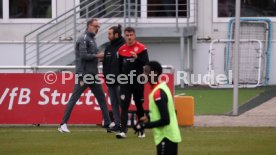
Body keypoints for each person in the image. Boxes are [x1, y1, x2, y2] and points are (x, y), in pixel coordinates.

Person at [58, 18, 112, 133]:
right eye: (95, 26)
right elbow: (83, 56)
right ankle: (62, 124)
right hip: (84, 74)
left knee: (102, 99)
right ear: (89, 26)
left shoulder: (92, 39)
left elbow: (93, 56)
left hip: (93, 74)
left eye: (98, 26)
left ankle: (107, 124)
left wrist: (103, 57)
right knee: (74, 99)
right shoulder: (83, 38)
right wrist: (98, 56)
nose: (97, 28)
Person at [133, 61, 182, 155]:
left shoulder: (158, 93)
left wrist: (144, 126)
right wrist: (148, 118)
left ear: (155, 73)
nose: (144, 74)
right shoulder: (161, 88)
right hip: (167, 136)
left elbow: (165, 120)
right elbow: (161, 112)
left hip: (166, 137)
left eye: (146, 71)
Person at [116, 27, 149, 139]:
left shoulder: (141, 48)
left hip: (138, 81)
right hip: (125, 82)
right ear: (125, 36)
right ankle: (123, 131)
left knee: (139, 105)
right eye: (127, 35)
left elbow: (147, 63)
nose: (129, 37)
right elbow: (119, 67)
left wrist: (137, 58)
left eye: (131, 35)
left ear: (134, 35)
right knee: (124, 105)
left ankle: (141, 130)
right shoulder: (121, 50)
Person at [100, 24, 125, 132]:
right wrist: (106, 77)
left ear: (116, 34)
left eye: (110, 34)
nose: (108, 36)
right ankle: (117, 124)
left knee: (122, 103)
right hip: (110, 81)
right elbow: (105, 64)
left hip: (121, 81)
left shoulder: (124, 47)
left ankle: (123, 125)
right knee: (114, 103)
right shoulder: (108, 47)